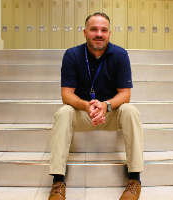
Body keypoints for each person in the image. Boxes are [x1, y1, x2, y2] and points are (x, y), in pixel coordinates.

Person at [48, 12, 144, 200]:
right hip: (84, 113)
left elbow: (125, 94)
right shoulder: (72, 55)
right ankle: (58, 182)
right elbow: (66, 94)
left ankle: (135, 180)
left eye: (103, 30)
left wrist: (106, 105)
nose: (99, 34)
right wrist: (86, 106)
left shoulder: (120, 55)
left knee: (130, 111)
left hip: (110, 113)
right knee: (64, 112)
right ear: (85, 33)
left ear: (109, 33)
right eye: (94, 29)